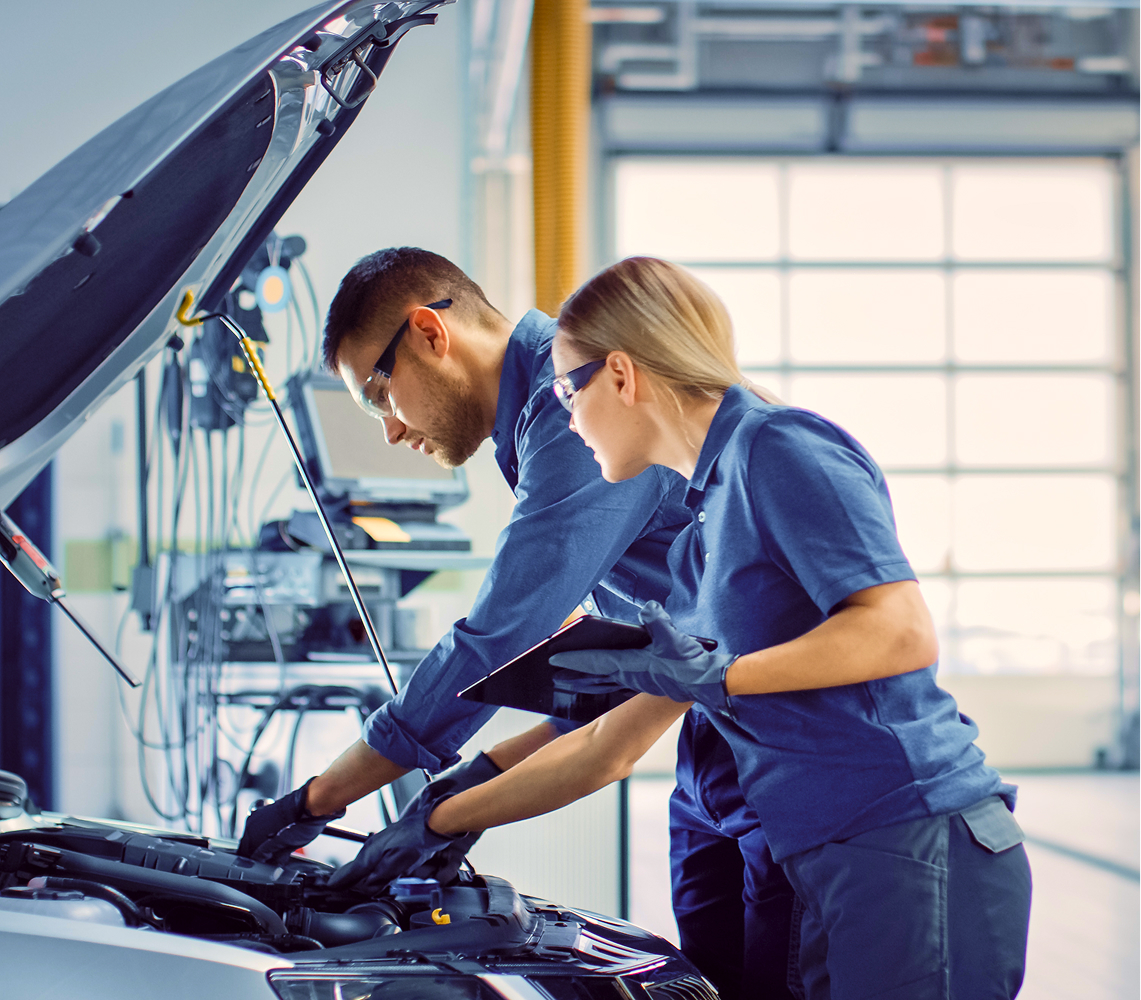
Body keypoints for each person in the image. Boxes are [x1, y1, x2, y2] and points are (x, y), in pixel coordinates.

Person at [352, 257, 1033, 999]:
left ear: (620, 376)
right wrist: (449, 810)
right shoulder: (700, 526)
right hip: (830, 846)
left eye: (563, 391)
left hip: (906, 831)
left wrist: (719, 677)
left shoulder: (778, 447)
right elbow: (610, 732)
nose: (563, 420)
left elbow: (899, 633)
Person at [236, 248, 800, 1000]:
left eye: (379, 396)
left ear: (429, 333)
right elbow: (629, 665)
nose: (391, 433)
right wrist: (478, 776)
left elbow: (499, 636)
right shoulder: (551, 424)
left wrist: (320, 798)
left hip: (794, 751)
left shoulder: (579, 412)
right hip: (712, 744)